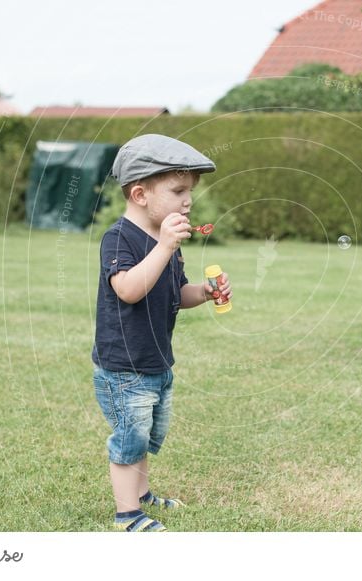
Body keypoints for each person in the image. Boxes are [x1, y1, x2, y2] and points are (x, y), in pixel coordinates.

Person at [92, 134, 232, 532]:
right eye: (178, 190)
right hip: (124, 365)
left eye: (190, 191)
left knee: (147, 434)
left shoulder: (166, 242)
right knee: (129, 438)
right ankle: (127, 515)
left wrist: (204, 293)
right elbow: (129, 289)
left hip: (154, 361)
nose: (188, 200)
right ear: (139, 193)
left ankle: (141, 495)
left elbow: (175, 295)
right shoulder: (119, 238)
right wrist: (164, 247)